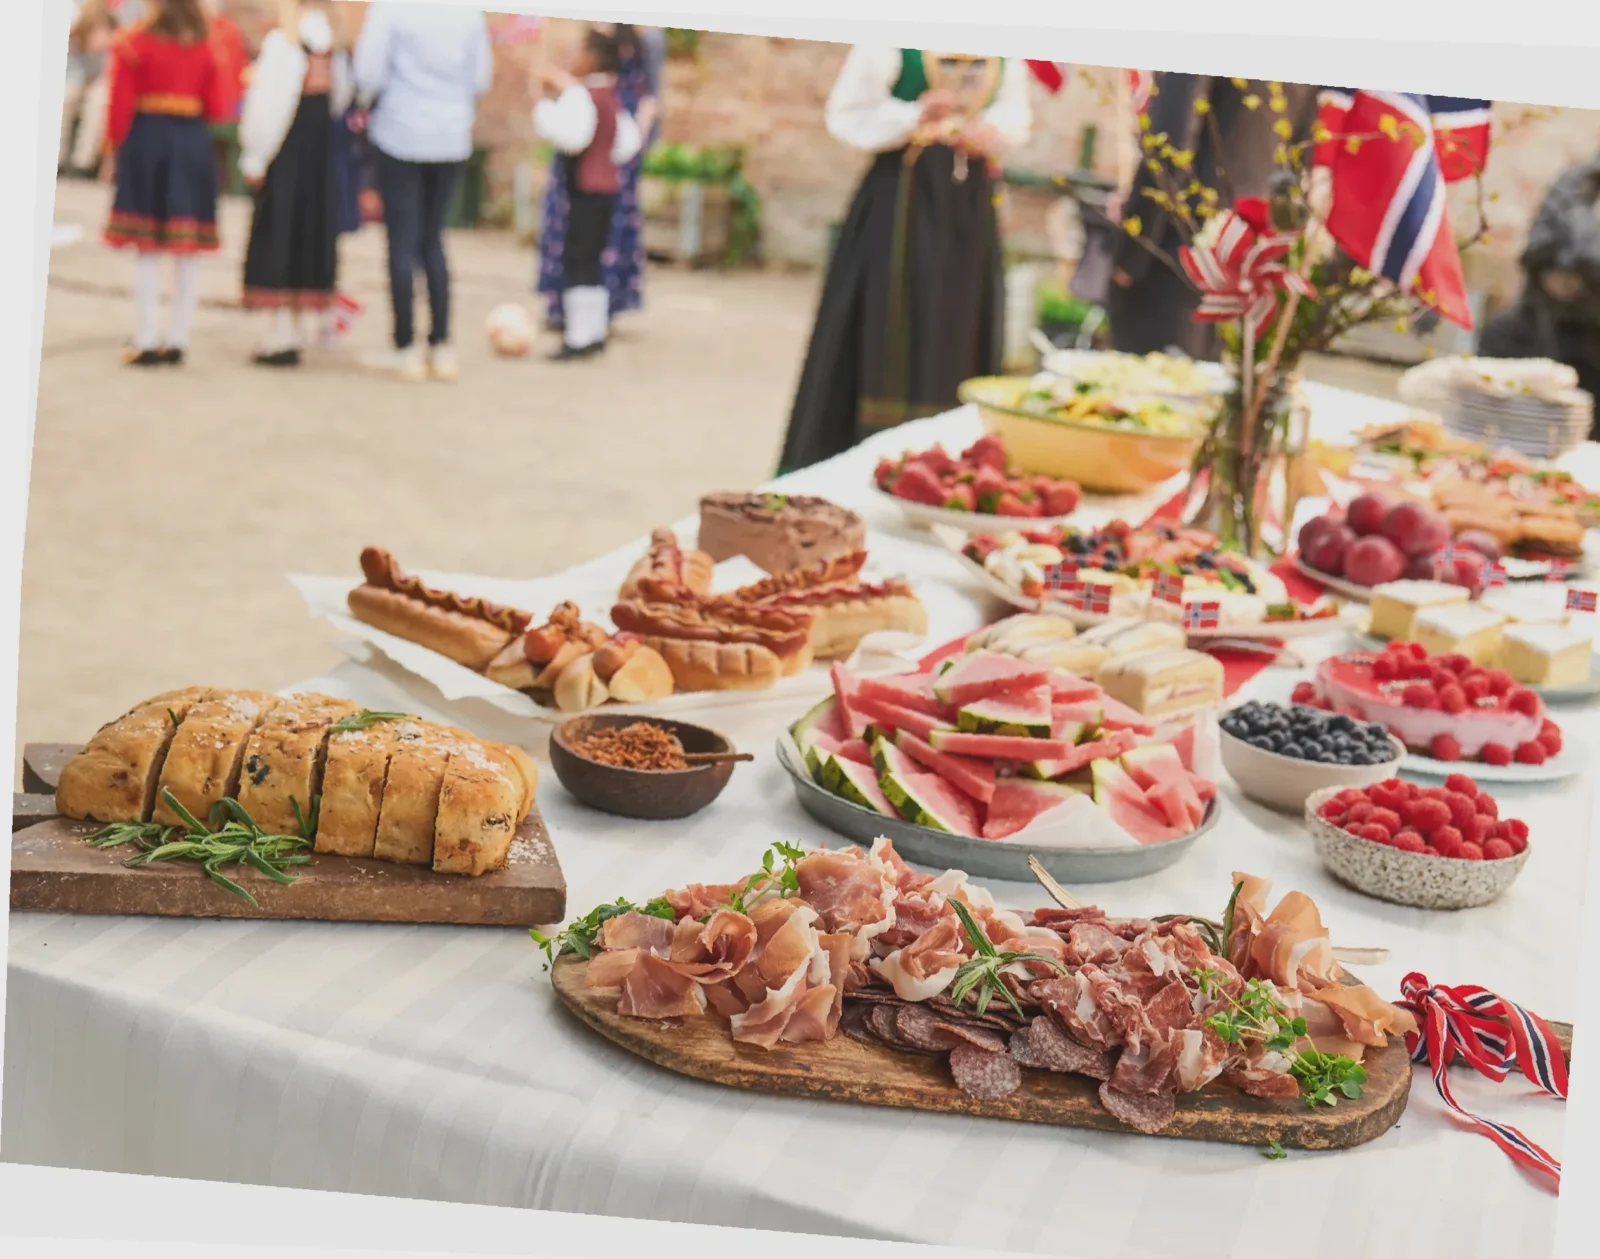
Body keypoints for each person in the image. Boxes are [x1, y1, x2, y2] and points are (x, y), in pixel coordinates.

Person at [777, 48, 1032, 474]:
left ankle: (948, 461)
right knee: (888, 317)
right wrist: (913, 114)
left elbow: (1016, 113)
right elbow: (848, 112)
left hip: (968, 207)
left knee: (959, 324)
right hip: (902, 198)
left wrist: (992, 129)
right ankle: (864, 454)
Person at [1104, 73, 1317, 359]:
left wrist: (1130, 252)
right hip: (1252, 266)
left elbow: (1170, 142)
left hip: (1175, 255)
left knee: (1152, 392)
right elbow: (1299, 160)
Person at [352, 2, 492, 383]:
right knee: (433, 239)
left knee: (401, 241)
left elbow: (368, 73)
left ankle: (404, 346)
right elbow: (480, 79)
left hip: (401, 131)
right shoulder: (468, 12)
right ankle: (442, 345)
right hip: (450, 136)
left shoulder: (391, 9)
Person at [102, 0, 232, 366]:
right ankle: (179, 337)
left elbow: (119, 104)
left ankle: (145, 337)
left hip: (147, 140)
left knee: (148, 247)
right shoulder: (208, 42)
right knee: (186, 247)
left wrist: (112, 149)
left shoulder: (134, 41)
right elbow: (220, 105)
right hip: (191, 141)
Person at [236, 0, 351, 367]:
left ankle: (281, 331)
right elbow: (341, 101)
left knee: (280, 232)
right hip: (320, 155)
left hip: (287, 152)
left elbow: (268, 106)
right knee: (310, 232)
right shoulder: (337, 45)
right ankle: (298, 324)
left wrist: (254, 155)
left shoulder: (284, 42)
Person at [535, 22, 662, 332]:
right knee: (591, 261)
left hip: (583, 190)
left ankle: (579, 335)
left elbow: (572, 137)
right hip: (608, 186)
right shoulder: (611, 98)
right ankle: (591, 332)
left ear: (591, 58)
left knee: (580, 260)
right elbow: (628, 141)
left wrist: (543, 106)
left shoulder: (583, 96)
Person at [61, 2, 118, 176]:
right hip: (73, 81)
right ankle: (58, 159)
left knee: (99, 103)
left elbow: (106, 76)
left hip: (98, 84)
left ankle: (82, 162)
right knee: (67, 97)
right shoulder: (72, 42)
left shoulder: (111, 49)